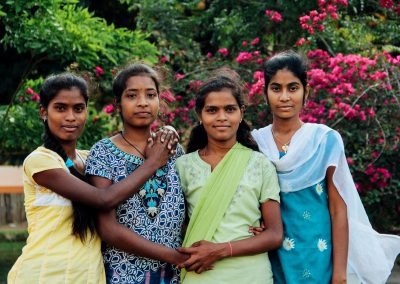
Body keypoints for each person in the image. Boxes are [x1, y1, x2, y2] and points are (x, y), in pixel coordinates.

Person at [7, 73, 176, 284]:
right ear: (43, 112)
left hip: (88, 276)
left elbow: (121, 154)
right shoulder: (40, 161)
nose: (71, 117)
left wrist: (167, 131)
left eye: (78, 108)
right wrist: (153, 163)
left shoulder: (89, 159)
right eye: (60, 108)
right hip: (44, 273)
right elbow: (103, 199)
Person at [251, 50, 400, 284]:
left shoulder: (324, 140)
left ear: (305, 92)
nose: (284, 97)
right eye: (276, 88)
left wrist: (339, 275)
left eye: (293, 88)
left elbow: (338, 209)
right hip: (271, 255)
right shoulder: (255, 143)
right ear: (265, 93)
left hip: (317, 252)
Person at [175, 70, 283, 283]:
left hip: (251, 275)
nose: (222, 117)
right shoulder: (182, 166)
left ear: (241, 113)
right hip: (200, 275)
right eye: (212, 110)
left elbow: (274, 235)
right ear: (200, 115)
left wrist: (221, 249)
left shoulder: (260, 164)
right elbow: (177, 226)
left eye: (230, 109)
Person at [85, 63, 187, 284]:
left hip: (174, 275)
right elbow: (108, 229)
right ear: (118, 104)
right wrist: (171, 255)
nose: (143, 102)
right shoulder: (103, 152)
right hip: (124, 274)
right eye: (132, 95)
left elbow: (188, 208)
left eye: (150, 95)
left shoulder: (173, 149)